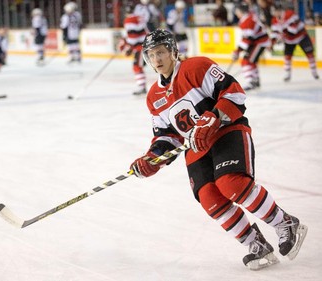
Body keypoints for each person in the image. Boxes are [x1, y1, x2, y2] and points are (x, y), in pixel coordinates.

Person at [129, 29, 308, 270]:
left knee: (231, 183)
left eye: (161, 52)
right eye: (151, 55)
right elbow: (166, 137)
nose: (157, 59)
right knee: (209, 197)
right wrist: (151, 159)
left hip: (226, 131)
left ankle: (284, 222)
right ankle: (256, 244)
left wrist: (213, 118)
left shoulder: (196, 67)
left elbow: (234, 92)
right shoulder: (154, 97)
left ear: (173, 51)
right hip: (196, 147)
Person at [270, 4, 319, 81]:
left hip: (301, 37)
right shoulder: (274, 19)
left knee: (310, 54)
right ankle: (287, 74)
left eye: (274, 11)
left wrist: (282, 36)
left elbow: (293, 30)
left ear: (279, 10)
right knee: (287, 56)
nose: (273, 13)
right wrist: (272, 42)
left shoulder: (290, 14)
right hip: (289, 40)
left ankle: (314, 72)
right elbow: (274, 32)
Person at [232, 4, 270, 91]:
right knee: (251, 61)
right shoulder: (249, 17)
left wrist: (237, 51)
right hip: (258, 41)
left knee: (246, 61)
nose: (236, 13)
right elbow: (248, 37)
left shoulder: (247, 21)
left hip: (260, 42)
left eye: (237, 11)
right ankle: (255, 81)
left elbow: (247, 38)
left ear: (240, 11)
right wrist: (238, 50)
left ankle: (251, 82)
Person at [119, 3, 148, 96]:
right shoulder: (139, 17)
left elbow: (133, 38)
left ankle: (142, 87)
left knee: (137, 66)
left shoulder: (129, 20)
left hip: (141, 47)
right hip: (147, 45)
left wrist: (127, 47)